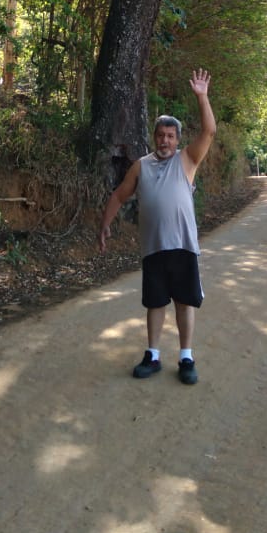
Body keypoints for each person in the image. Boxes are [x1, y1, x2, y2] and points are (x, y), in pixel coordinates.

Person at [98, 68, 216, 385]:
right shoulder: (141, 166)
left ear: (177, 140)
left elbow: (208, 132)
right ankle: (153, 354)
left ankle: (186, 356)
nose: (165, 140)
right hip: (153, 249)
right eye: (160, 135)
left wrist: (202, 97)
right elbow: (119, 195)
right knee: (154, 303)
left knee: (184, 302)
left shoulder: (187, 160)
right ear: (154, 137)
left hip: (183, 246)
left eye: (170, 136)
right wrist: (104, 225)